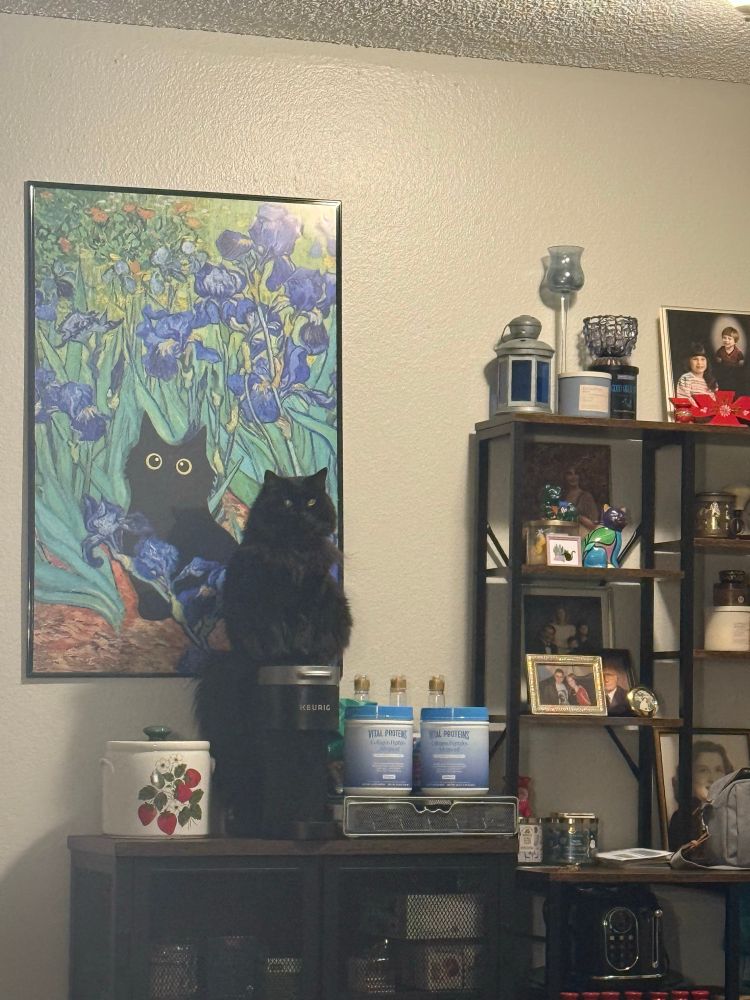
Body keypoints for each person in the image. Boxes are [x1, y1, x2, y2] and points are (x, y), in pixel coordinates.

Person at [668, 740, 735, 849]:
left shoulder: (736, 815)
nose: (712, 779)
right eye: (703, 770)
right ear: (689, 777)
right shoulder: (680, 818)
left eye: (718, 770)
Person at [561, 464, 600, 534]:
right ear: (565, 477)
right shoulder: (562, 497)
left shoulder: (586, 497)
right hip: (564, 538)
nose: (573, 477)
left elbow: (594, 525)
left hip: (582, 538)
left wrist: (577, 516)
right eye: (570, 474)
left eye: (576, 474)